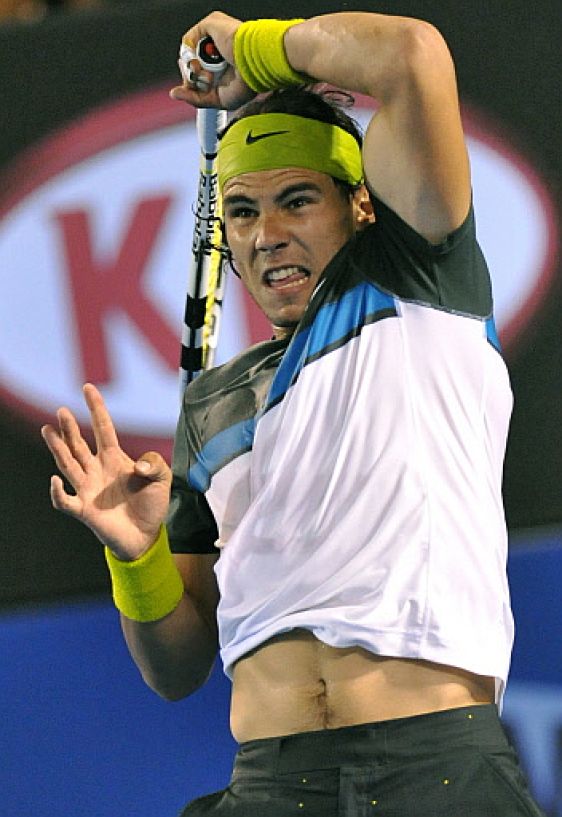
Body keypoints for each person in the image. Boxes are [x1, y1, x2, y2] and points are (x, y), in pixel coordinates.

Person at [42, 10, 545, 816]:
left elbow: (412, 55)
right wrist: (136, 557)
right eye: (242, 211)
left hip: (436, 771)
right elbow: (177, 669)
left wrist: (254, 50)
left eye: (297, 200)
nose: (267, 234)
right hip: (271, 784)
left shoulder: (421, 283)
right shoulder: (210, 407)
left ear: (363, 205)